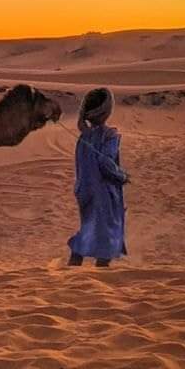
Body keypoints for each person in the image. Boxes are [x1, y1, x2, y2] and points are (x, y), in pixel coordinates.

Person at [67, 87, 129, 267]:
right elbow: (106, 163)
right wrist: (121, 175)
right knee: (108, 233)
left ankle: (74, 268)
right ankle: (99, 276)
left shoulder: (83, 137)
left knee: (91, 227)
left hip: (84, 190)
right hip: (103, 191)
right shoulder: (109, 136)